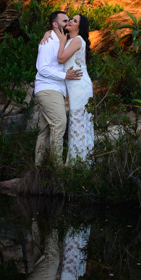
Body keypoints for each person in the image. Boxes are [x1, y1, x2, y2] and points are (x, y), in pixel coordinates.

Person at [34, 11, 82, 166]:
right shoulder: (48, 42)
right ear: (55, 24)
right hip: (48, 89)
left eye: (69, 20)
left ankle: (39, 168)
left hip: (54, 90)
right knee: (60, 123)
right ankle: (57, 168)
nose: (68, 22)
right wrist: (64, 76)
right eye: (64, 20)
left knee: (45, 130)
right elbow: (43, 69)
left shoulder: (62, 40)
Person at [55, 15, 94, 164]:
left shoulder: (76, 40)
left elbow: (61, 59)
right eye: (71, 19)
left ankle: (78, 164)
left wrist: (62, 42)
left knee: (78, 122)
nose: (70, 21)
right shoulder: (72, 40)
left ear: (79, 27)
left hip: (79, 85)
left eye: (75, 21)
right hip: (75, 85)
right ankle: (80, 162)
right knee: (78, 122)